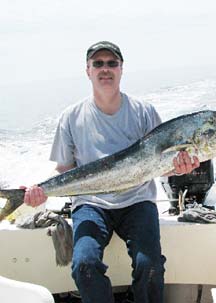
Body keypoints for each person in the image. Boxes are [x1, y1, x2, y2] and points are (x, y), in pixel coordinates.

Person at [23, 41, 200, 303]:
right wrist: (41, 191)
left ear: (121, 68)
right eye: (98, 64)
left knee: (149, 264)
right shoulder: (71, 116)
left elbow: (165, 167)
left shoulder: (144, 112)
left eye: (111, 63)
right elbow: (64, 169)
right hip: (90, 204)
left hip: (138, 200)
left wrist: (183, 168)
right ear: (88, 70)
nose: (105, 69)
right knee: (84, 264)